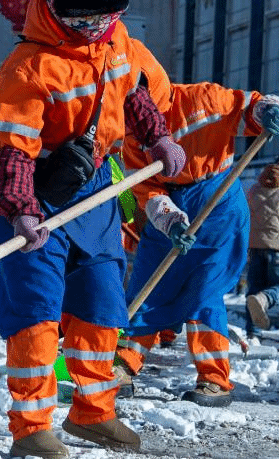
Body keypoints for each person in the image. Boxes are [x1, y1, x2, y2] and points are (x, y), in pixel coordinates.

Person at [0, 0, 185, 459]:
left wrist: (157, 136)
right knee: (38, 310)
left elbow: (133, 94)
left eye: (103, 17)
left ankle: (94, 412)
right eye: (82, 18)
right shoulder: (27, 66)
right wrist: (21, 210)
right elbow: (16, 149)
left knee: (101, 301)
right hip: (28, 190)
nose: (93, 27)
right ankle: (32, 425)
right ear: (58, 3)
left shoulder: (117, 43)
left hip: (91, 188)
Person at [115, 82, 279, 407]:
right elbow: (145, 187)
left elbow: (248, 106)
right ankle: (123, 367)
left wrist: (266, 111)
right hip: (170, 202)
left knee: (202, 290)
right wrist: (171, 221)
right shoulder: (129, 130)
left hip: (219, 200)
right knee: (149, 284)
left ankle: (214, 379)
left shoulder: (202, 98)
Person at [245, 162, 279, 336]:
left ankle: (253, 333)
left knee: (253, 289)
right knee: (275, 288)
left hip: (255, 247)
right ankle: (265, 299)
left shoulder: (253, 190)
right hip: (276, 248)